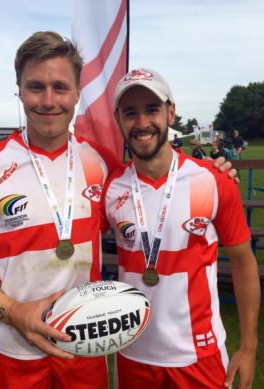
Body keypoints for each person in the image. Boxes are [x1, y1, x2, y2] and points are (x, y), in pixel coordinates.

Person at [0, 31, 121, 389]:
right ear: (19, 91)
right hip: (14, 347)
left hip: (86, 343)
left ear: (77, 94)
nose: (49, 100)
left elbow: (157, 187)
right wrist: (13, 310)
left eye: (60, 87)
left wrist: (215, 169)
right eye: (36, 87)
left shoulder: (104, 162)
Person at [101, 68, 260, 389]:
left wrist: (248, 346)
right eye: (130, 113)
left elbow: (243, 263)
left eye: (152, 109)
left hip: (199, 354)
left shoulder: (214, 180)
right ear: (118, 118)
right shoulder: (112, 186)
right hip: (132, 353)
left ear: (171, 111)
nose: (142, 122)